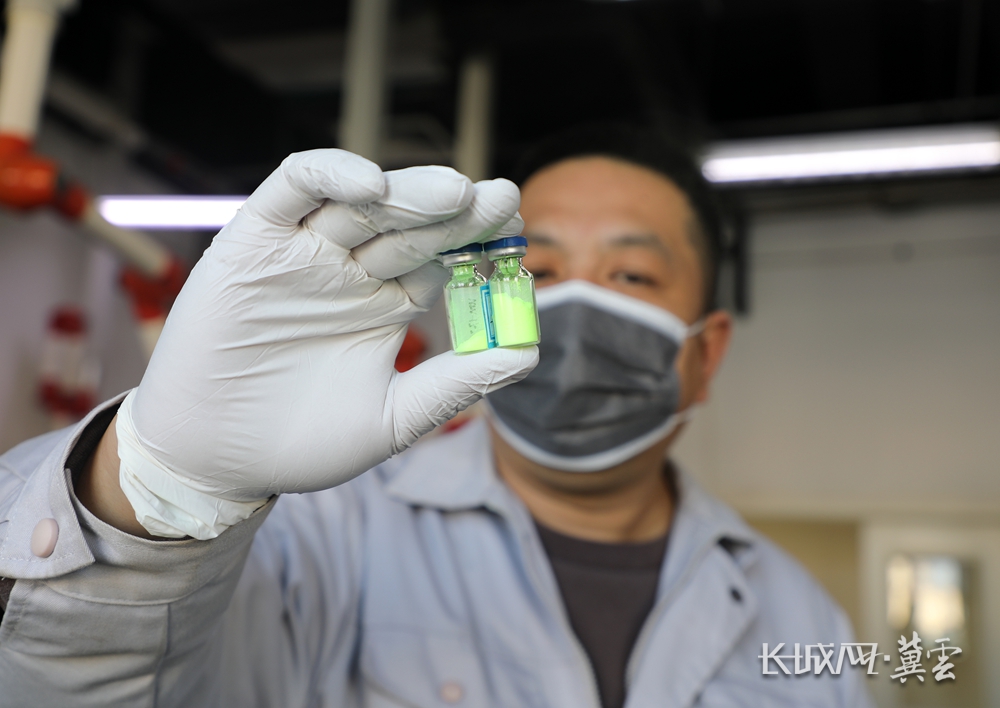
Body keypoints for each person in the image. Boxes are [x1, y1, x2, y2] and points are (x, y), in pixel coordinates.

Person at [0, 126, 871, 707]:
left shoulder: (800, 619)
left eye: (631, 276)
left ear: (705, 354)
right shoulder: (314, 540)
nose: (574, 309)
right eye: (538, 269)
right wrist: (160, 489)